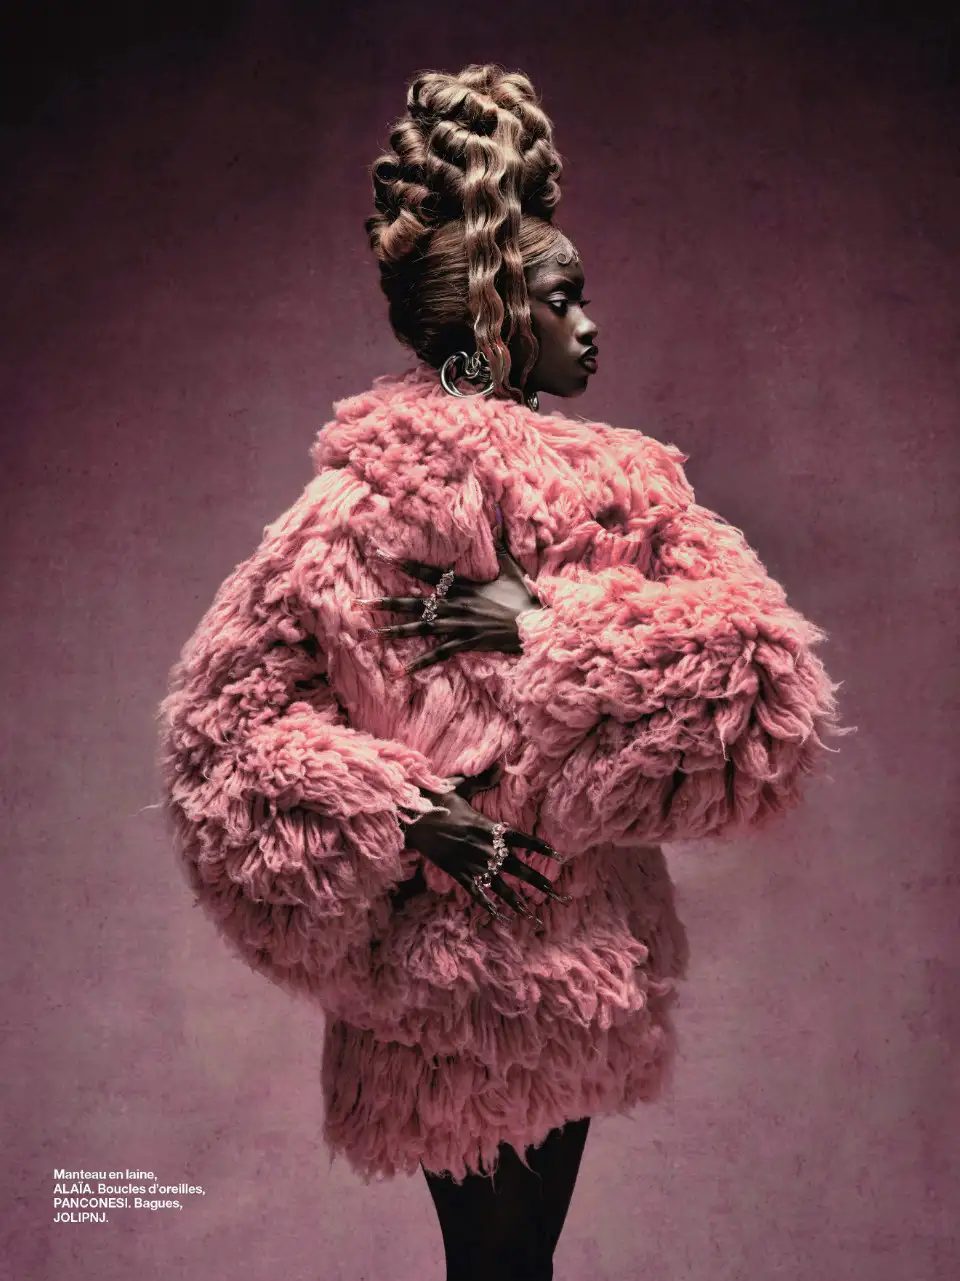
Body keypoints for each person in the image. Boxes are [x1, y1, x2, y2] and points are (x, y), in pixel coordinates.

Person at [156, 63, 853, 1281]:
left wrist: (542, 621)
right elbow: (222, 742)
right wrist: (405, 816)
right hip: (435, 991)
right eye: (562, 298)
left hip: (577, 972)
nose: (589, 324)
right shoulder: (352, 512)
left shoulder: (627, 490)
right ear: (491, 315)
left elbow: (763, 690)